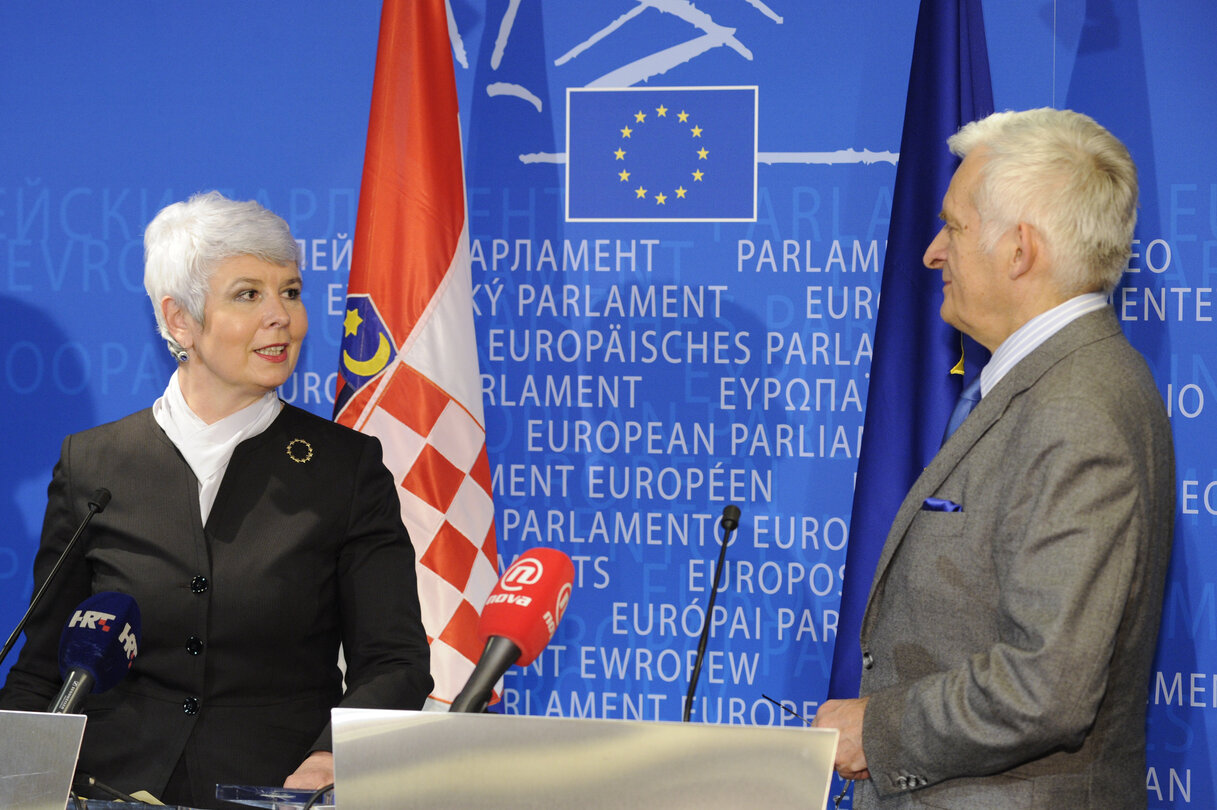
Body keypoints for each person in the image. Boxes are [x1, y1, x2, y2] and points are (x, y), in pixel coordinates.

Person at [0, 191, 433, 807]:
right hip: (108, 789)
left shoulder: (345, 468)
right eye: (248, 294)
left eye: (290, 291)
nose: (281, 315)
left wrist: (329, 756)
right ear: (180, 320)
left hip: (276, 793)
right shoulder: (92, 464)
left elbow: (395, 661)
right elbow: (45, 665)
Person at [814, 108, 1175, 808]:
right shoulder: (1041, 385)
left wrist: (879, 730)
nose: (930, 251)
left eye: (952, 226)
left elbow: (1045, 687)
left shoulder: (1075, 410)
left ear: (1018, 251)